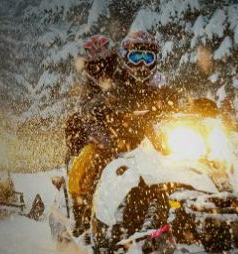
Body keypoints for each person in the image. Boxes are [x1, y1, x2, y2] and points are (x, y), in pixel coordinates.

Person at [68, 31, 181, 241]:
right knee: (91, 160)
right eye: (136, 58)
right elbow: (98, 101)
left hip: (147, 141)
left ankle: (186, 212)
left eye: (148, 58)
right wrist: (104, 107)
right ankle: (83, 216)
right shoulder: (117, 80)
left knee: (181, 162)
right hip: (115, 139)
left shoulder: (156, 82)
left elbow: (171, 96)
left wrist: (192, 104)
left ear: (156, 60)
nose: (142, 65)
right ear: (125, 58)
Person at [65, 35, 118, 160]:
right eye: (94, 66)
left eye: (105, 63)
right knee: (74, 123)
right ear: (87, 67)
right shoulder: (87, 90)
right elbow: (82, 112)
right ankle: (76, 162)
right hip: (102, 139)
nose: (101, 69)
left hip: (126, 130)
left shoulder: (122, 76)